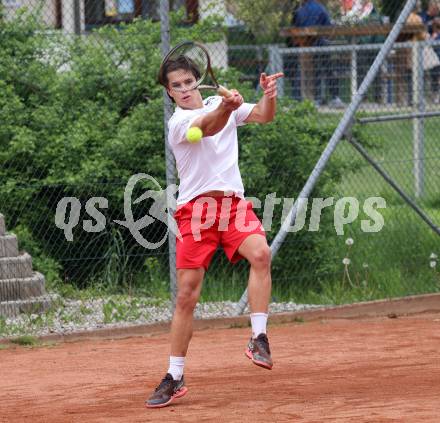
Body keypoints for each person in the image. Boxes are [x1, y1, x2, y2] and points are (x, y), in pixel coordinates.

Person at [145, 53, 284, 408]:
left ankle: (258, 337)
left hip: (233, 206)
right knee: (187, 296)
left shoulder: (216, 104)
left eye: (189, 82)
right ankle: (174, 376)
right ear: (169, 92)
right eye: (176, 86)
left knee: (261, 254)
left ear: (197, 81)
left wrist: (268, 94)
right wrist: (228, 106)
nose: (185, 89)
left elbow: (266, 116)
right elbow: (206, 127)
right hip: (195, 212)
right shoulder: (178, 123)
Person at [293, 0, 344, 107]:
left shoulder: (300, 11)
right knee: (328, 70)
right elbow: (328, 28)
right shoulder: (320, 8)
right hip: (321, 43)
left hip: (305, 46)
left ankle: (304, 99)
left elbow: (296, 29)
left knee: (308, 72)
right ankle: (335, 97)